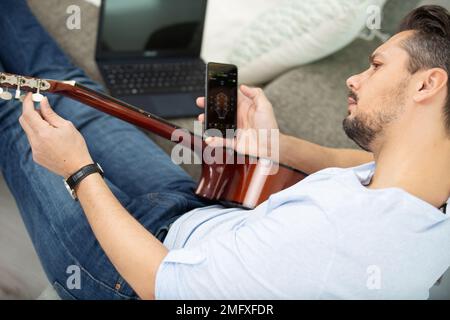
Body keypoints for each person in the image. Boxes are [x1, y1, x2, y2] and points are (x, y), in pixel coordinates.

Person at [1, 1, 450, 300]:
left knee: (15, 117)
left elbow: (162, 284)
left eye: (375, 66)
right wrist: (264, 146)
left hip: (131, 272)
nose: (354, 80)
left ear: (428, 84)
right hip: (196, 218)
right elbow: (339, 161)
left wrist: (78, 171)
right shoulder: (430, 181)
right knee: (71, 87)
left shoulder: (335, 241)